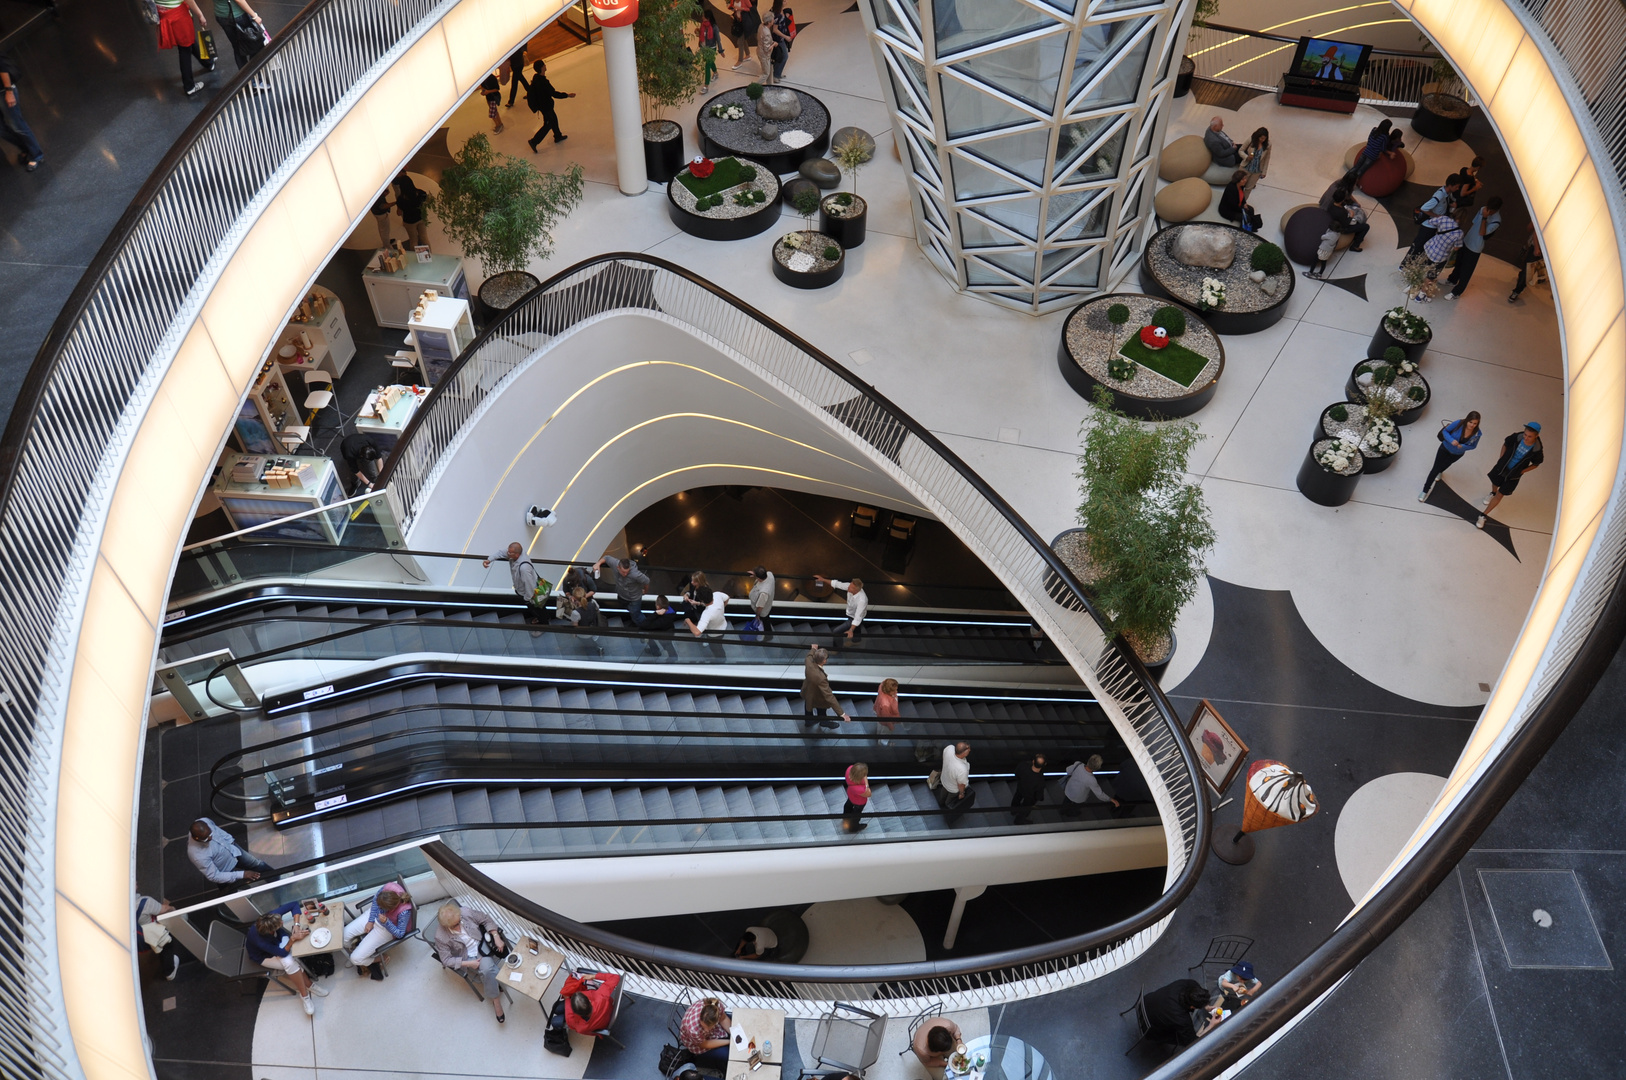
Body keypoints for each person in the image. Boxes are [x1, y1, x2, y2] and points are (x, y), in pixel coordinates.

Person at [246, 902, 325, 1015]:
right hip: (264, 955)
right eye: (280, 924)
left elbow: (294, 905)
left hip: (278, 939)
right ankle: (305, 995)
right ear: (270, 931)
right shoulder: (261, 941)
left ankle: (308, 987)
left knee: (291, 962)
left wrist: (296, 924)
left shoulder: (271, 917)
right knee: (289, 962)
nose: (282, 922)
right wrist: (292, 939)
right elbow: (282, 953)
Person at [433, 903, 507, 1022]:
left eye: (459, 922)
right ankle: (496, 1000)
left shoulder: (465, 912)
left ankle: (494, 983)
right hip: (467, 956)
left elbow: (486, 919)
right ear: (446, 926)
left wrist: (496, 935)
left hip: (483, 944)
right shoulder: (440, 936)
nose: (458, 927)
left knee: (488, 970)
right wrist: (469, 964)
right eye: (454, 926)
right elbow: (446, 960)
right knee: (488, 970)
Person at [1478, 422, 1543, 529]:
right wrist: (1501, 458)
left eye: (1529, 436)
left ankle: (1483, 515)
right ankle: (1492, 493)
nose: (1525, 438)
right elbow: (1505, 444)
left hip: (1514, 474)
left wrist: (1522, 471)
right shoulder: (1518, 436)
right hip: (1503, 466)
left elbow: (1536, 464)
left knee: (1501, 494)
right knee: (1495, 482)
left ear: (1537, 436)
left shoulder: (1537, 449)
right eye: (1525, 434)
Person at [343, 881, 411, 978]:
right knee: (344, 935)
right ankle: (357, 949)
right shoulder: (389, 887)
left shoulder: (404, 912)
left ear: (390, 909)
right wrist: (371, 921)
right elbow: (375, 900)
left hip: (386, 928)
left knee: (355, 959)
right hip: (375, 915)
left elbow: (400, 934)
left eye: (381, 907)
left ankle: (380, 958)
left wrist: (387, 922)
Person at [188, 817, 275, 887]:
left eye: (210, 834)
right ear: (197, 839)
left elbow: (217, 830)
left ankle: (276, 880)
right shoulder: (197, 855)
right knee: (234, 890)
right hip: (225, 870)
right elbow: (214, 876)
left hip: (233, 850)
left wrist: (230, 841)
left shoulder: (204, 821)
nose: (210, 838)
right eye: (206, 838)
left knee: (257, 864)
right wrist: (242, 874)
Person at [155, 0, 215, 97]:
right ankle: (189, 86)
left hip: (165, 14)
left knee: (188, 41)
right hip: (179, 16)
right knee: (184, 49)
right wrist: (200, 14)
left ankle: (208, 63)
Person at [1446, 196, 1502, 299]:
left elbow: (1482, 232)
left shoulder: (1496, 221)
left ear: (1496, 210)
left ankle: (1457, 292)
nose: (1488, 210)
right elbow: (1474, 223)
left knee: (1466, 270)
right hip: (1467, 240)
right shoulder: (1483, 209)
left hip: (1475, 247)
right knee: (1458, 262)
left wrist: (1485, 218)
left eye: (1491, 210)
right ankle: (1452, 279)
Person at [1420, 411, 1482, 500]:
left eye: (1475, 423)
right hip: (1444, 448)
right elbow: (1445, 431)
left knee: (1446, 465)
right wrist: (1451, 440)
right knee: (1435, 469)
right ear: (1467, 420)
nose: (1472, 425)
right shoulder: (1459, 423)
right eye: (1470, 422)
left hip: (1457, 454)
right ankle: (1425, 490)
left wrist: (1463, 446)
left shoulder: (1477, 434)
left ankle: (1440, 472)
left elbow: (1473, 446)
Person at [0, 52, 45, 171]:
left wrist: (9, 91)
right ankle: (26, 148)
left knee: (17, 125)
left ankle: (37, 155)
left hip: (3, 91)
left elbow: (2, 66)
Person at [1404, 174, 1462, 264]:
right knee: (1418, 245)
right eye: (1457, 186)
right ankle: (1405, 264)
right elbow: (1424, 208)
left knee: (1423, 246)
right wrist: (1437, 216)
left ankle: (1414, 264)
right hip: (1428, 225)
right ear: (1450, 185)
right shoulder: (1439, 196)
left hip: (1434, 225)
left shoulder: (1447, 194)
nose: (1458, 189)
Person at [1144, 979, 1219, 1046]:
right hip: (1149, 1028)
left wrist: (1207, 1006)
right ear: (1192, 1007)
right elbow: (1192, 1042)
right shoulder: (1182, 1019)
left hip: (1147, 1001)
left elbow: (1195, 985)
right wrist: (1211, 1026)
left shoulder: (1184, 984)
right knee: (1183, 1038)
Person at [484, 541, 545, 622]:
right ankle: (542, 617)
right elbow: (500, 553)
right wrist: (489, 560)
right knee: (540, 607)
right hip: (526, 591)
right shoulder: (515, 554)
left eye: (510, 553)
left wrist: (527, 599)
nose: (507, 553)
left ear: (517, 554)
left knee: (536, 608)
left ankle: (543, 622)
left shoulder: (524, 568)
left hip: (530, 594)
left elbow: (529, 584)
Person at [1412, 211, 1465, 301]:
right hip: (1440, 257)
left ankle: (1413, 286)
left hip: (1429, 248)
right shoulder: (1459, 233)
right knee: (1431, 276)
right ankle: (1420, 296)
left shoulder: (1444, 219)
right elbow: (1457, 248)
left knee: (1422, 267)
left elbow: (1431, 222)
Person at [525, 60, 576, 149]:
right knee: (548, 124)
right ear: (542, 68)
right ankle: (534, 141)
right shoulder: (543, 82)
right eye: (544, 64)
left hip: (543, 106)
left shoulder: (536, 79)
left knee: (553, 119)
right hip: (546, 106)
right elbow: (554, 93)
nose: (545, 65)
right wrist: (567, 95)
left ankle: (558, 136)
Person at [135, 892, 184, 981]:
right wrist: (173, 909)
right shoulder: (144, 902)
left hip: (138, 939)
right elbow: (164, 909)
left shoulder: (120, 910)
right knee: (165, 944)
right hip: (152, 935)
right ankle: (169, 972)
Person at [801, 645, 850, 728]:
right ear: (824, 661)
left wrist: (813, 648)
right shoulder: (821, 678)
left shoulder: (809, 662)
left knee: (808, 703)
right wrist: (842, 714)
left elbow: (809, 656)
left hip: (808, 691)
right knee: (821, 708)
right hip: (818, 696)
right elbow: (829, 696)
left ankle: (808, 721)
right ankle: (824, 721)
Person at [594, 555, 651, 624]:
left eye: (627, 571)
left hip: (634, 599)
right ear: (618, 568)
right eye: (623, 572)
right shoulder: (615, 564)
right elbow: (606, 558)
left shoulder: (635, 574)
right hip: (622, 595)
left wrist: (645, 591)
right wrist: (598, 564)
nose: (625, 574)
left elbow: (647, 581)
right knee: (629, 609)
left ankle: (645, 625)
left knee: (636, 615)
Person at [814, 574, 868, 645]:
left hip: (854, 617)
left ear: (856, 590)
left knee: (836, 632)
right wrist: (823, 580)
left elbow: (857, 618)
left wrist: (851, 630)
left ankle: (837, 648)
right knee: (857, 628)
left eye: (851, 587)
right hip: (851, 614)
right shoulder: (851, 587)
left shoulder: (862, 600)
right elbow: (837, 584)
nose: (848, 587)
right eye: (850, 585)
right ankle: (857, 641)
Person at [213, 0, 265, 74]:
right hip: (237, 15)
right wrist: (254, 16)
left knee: (237, 47)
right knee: (253, 45)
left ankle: (245, 79)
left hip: (220, 14)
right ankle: (257, 78)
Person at [679, 996, 732, 1069]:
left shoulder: (715, 1006)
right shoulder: (693, 1030)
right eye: (703, 1026)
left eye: (709, 1027)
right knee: (728, 1054)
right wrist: (729, 1041)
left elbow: (723, 1018)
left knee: (735, 1024)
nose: (706, 1030)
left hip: (710, 1032)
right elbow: (704, 1044)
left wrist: (733, 1034)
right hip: (698, 1044)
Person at [685, 588, 729, 658]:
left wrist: (688, 620)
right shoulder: (717, 595)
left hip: (714, 635)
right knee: (719, 644)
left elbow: (697, 632)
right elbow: (727, 598)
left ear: (702, 600)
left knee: (716, 648)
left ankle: (721, 660)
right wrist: (722, 607)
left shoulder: (707, 613)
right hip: (723, 626)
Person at [937, 741, 974, 822]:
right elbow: (961, 784)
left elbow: (944, 759)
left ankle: (941, 803)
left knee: (943, 794)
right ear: (963, 753)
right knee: (950, 801)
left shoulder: (949, 748)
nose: (970, 750)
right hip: (953, 789)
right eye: (968, 749)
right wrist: (961, 793)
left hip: (944, 780)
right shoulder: (962, 769)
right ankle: (947, 808)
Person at [391, 174, 430, 251]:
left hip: (409, 222)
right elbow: (427, 200)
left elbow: (399, 213)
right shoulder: (421, 193)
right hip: (421, 218)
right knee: (424, 237)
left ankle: (415, 257)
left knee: (413, 240)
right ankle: (430, 255)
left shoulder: (401, 199)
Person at [1011, 752, 1047, 825]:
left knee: (1017, 798)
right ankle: (1019, 820)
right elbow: (1038, 795)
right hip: (1030, 796)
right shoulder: (1040, 780)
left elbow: (1016, 773)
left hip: (1020, 787)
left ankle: (1013, 810)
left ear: (1033, 761)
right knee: (1026, 808)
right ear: (1044, 765)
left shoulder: (1023, 765)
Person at [1508, 223, 1539, 303]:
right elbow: (1533, 231)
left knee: (1529, 270)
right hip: (1536, 249)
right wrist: (1536, 248)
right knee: (1527, 271)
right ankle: (1517, 291)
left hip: (1540, 250)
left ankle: (1519, 285)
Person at [1239, 127, 1270, 195]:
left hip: (1256, 171)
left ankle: (1243, 203)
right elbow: (1241, 150)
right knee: (1239, 186)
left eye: (1264, 138)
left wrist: (1264, 171)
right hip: (1246, 167)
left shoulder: (1268, 145)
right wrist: (1247, 157)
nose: (1262, 140)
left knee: (1249, 188)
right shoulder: (1251, 140)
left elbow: (1267, 158)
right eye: (1261, 138)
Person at [729, 0, 758, 71]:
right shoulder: (733, 0)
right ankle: (748, 55)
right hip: (738, 21)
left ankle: (740, 61)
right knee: (742, 39)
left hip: (744, 22)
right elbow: (732, 7)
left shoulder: (745, 0)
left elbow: (751, 9)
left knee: (740, 41)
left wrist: (741, 9)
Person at [842, 762, 870, 832]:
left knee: (848, 806)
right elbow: (869, 793)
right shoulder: (859, 788)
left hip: (851, 795)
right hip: (859, 802)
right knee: (856, 814)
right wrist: (867, 785)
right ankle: (853, 828)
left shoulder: (849, 770)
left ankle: (845, 819)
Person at [748, 565, 775, 638]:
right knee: (766, 620)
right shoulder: (770, 575)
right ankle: (769, 635)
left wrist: (757, 615)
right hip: (768, 606)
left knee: (765, 621)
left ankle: (768, 636)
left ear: (759, 578)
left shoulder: (764, 593)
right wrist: (755, 574)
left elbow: (760, 607)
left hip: (763, 612)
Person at [696, 10, 719, 88]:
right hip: (704, 47)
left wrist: (721, 50)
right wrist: (698, 33)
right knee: (710, 62)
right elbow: (702, 35)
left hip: (711, 48)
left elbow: (718, 39)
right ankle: (715, 73)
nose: (702, 17)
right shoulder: (702, 25)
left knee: (707, 66)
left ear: (708, 18)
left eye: (703, 16)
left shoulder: (714, 27)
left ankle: (706, 85)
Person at [873, 676, 900, 744]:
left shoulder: (882, 686)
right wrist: (891, 727)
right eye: (893, 691)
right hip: (887, 720)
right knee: (886, 732)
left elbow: (884, 682)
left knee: (879, 726)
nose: (896, 692)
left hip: (879, 714)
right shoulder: (885, 704)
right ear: (888, 691)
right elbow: (887, 718)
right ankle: (883, 743)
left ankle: (878, 737)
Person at [480, 69, 504, 134]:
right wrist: (484, 91)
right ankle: (500, 123)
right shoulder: (483, 78)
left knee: (492, 114)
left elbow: (497, 89)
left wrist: (488, 91)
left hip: (493, 97)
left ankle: (498, 125)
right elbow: (482, 86)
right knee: (495, 111)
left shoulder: (492, 78)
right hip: (489, 97)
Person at [756, 15, 776, 84]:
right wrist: (774, 44)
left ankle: (770, 85)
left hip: (760, 50)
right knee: (766, 73)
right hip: (764, 55)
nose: (774, 20)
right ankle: (754, 87)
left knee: (770, 69)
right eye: (773, 20)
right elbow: (767, 49)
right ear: (769, 22)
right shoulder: (766, 33)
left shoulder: (761, 26)